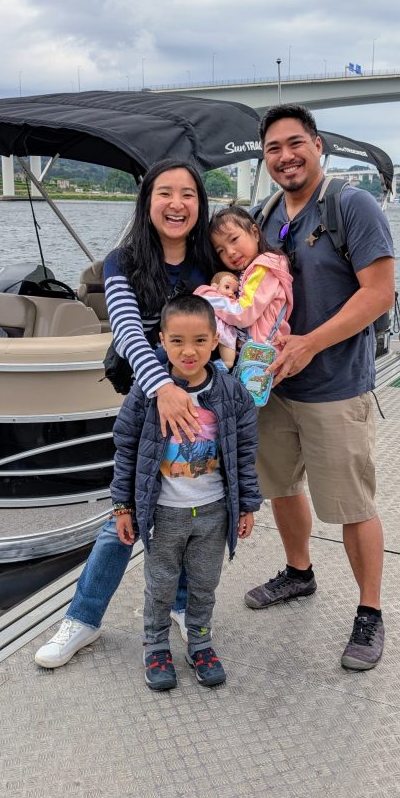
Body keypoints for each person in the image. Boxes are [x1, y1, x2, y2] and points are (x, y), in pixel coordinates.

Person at [34, 159, 217, 669]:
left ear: (200, 205)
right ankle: (84, 618)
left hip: (206, 408)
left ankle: (181, 604)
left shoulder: (212, 260)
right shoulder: (123, 262)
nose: (177, 204)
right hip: (150, 403)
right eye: (165, 193)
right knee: (127, 511)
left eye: (188, 194)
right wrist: (162, 387)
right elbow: (128, 330)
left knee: (194, 507)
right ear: (147, 201)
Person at [245, 104, 395, 671]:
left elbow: (380, 293)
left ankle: (369, 613)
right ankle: (299, 572)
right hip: (273, 386)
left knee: (352, 503)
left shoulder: (350, 204)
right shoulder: (266, 213)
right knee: (283, 487)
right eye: (273, 149)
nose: (285, 156)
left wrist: (310, 343)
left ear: (317, 145)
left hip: (336, 386)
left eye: (294, 143)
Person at [112, 294, 261, 690]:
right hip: (163, 513)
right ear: (161, 340)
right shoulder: (147, 394)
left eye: (199, 340)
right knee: (159, 584)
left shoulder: (231, 394)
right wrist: (122, 505)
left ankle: (200, 641)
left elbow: (245, 450)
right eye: (176, 341)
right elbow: (126, 448)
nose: (188, 350)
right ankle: (156, 644)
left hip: (213, 512)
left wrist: (247, 504)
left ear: (215, 340)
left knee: (204, 583)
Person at [194, 204, 293, 353]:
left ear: (255, 233)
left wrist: (205, 298)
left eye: (234, 239)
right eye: (221, 250)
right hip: (257, 352)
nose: (230, 252)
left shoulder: (263, 268)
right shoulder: (251, 270)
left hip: (260, 356)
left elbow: (243, 312)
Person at [202, 271, 240, 369]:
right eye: (227, 287)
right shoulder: (208, 295)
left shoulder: (232, 302)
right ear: (215, 286)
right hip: (206, 328)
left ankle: (211, 371)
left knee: (229, 362)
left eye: (235, 292)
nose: (231, 293)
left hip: (226, 332)